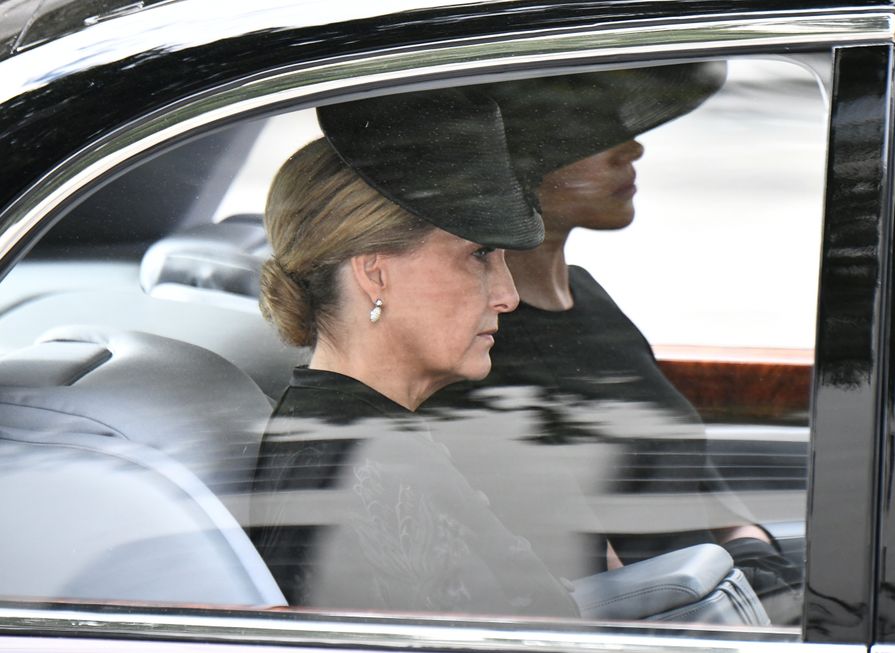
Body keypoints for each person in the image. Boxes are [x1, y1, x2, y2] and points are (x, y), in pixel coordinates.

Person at [424, 65, 803, 624]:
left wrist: (757, 559)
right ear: (513, 167)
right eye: (590, 134)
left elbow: (697, 483)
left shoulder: (587, 295)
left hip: (739, 593)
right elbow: (606, 583)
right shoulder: (482, 350)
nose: (633, 148)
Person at [249, 89, 580, 616]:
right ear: (374, 273)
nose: (508, 295)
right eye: (479, 255)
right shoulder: (369, 463)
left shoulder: (351, 432)